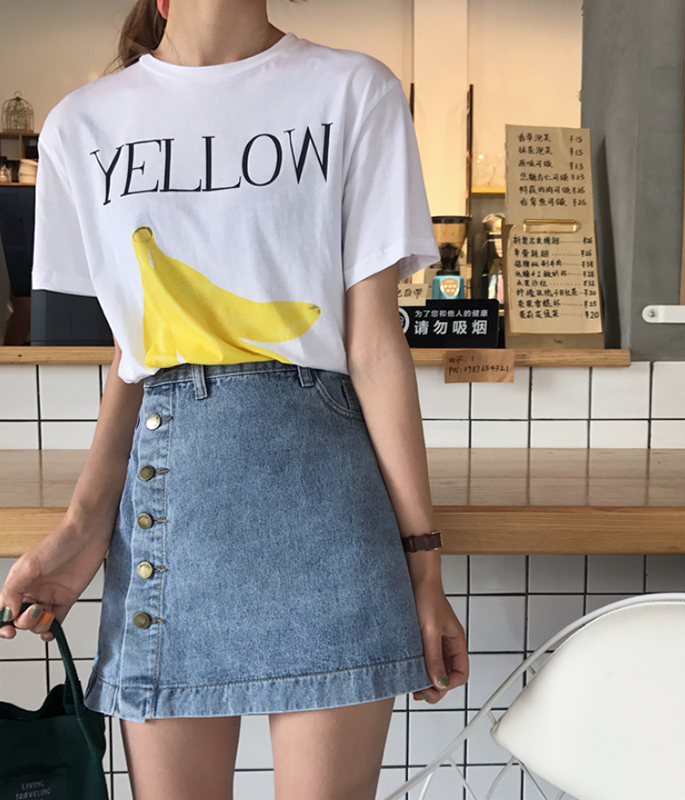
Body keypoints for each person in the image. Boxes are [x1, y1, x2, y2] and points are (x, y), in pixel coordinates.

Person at [0, 1, 469, 797]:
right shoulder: (84, 124)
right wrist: (81, 529)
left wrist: (425, 568)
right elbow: (135, 355)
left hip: (329, 514)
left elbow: (372, 346)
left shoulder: (355, 91)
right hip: (170, 515)